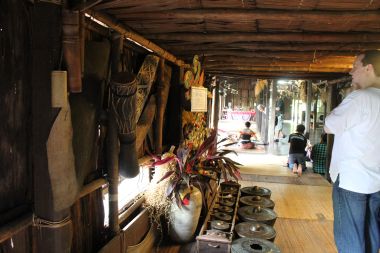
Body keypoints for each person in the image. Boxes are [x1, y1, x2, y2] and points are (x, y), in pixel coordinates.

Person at [324, 50, 380, 253]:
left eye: (355, 66)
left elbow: (329, 125)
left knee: (351, 237)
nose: (351, 72)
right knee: (370, 234)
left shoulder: (360, 98)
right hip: (376, 182)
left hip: (352, 180)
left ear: (369, 68)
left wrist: (347, 98)